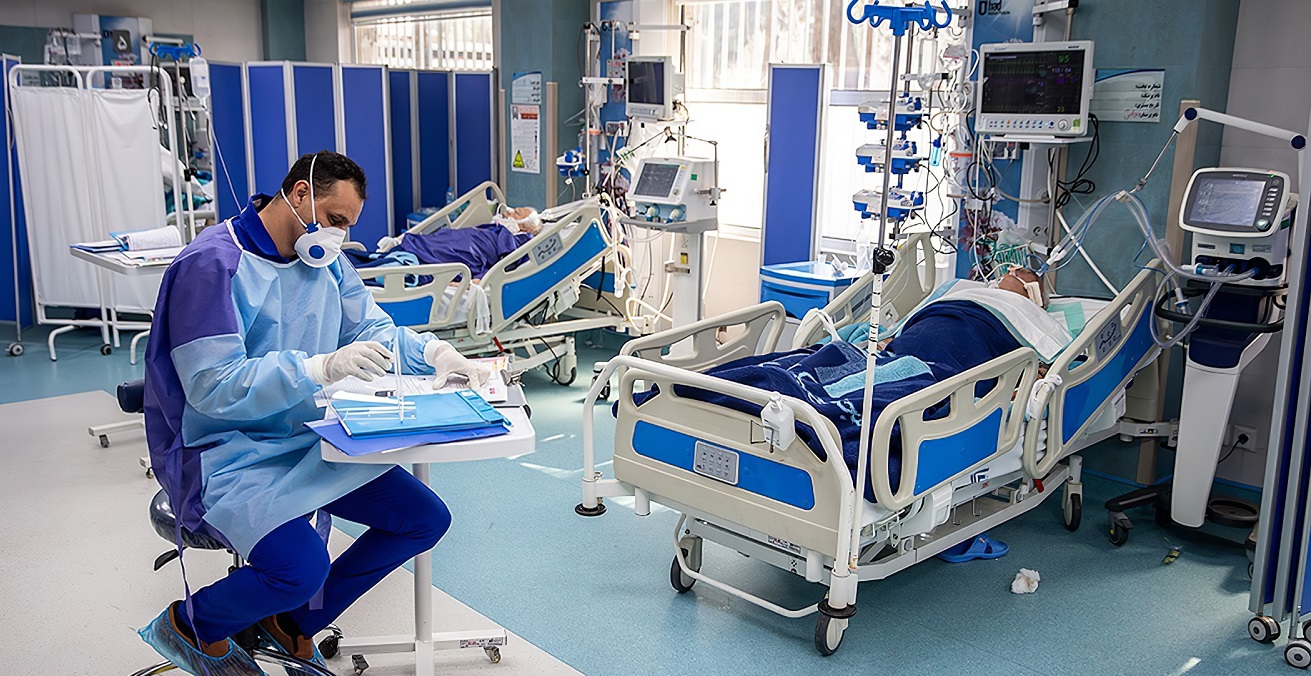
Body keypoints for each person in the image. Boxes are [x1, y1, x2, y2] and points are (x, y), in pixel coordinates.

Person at [138, 151, 492, 675]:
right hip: (224, 452)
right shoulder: (213, 265)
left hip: (304, 438)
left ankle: (292, 622)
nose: (339, 235)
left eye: (347, 225)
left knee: (424, 518)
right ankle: (190, 623)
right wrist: (317, 367)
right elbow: (211, 388)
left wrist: (437, 353)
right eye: (335, 220)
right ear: (301, 195)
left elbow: (372, 331)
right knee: (300, 568)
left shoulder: (323, 261)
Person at [359, 205, 544, 280]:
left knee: (400, 263)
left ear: (525, 228)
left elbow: (504, 266)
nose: (508, 213)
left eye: (516, 213)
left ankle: (381, 268)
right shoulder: (495, 228)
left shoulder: (519, 240)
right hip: (441, 244)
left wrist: (476, 281)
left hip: (460, 254)